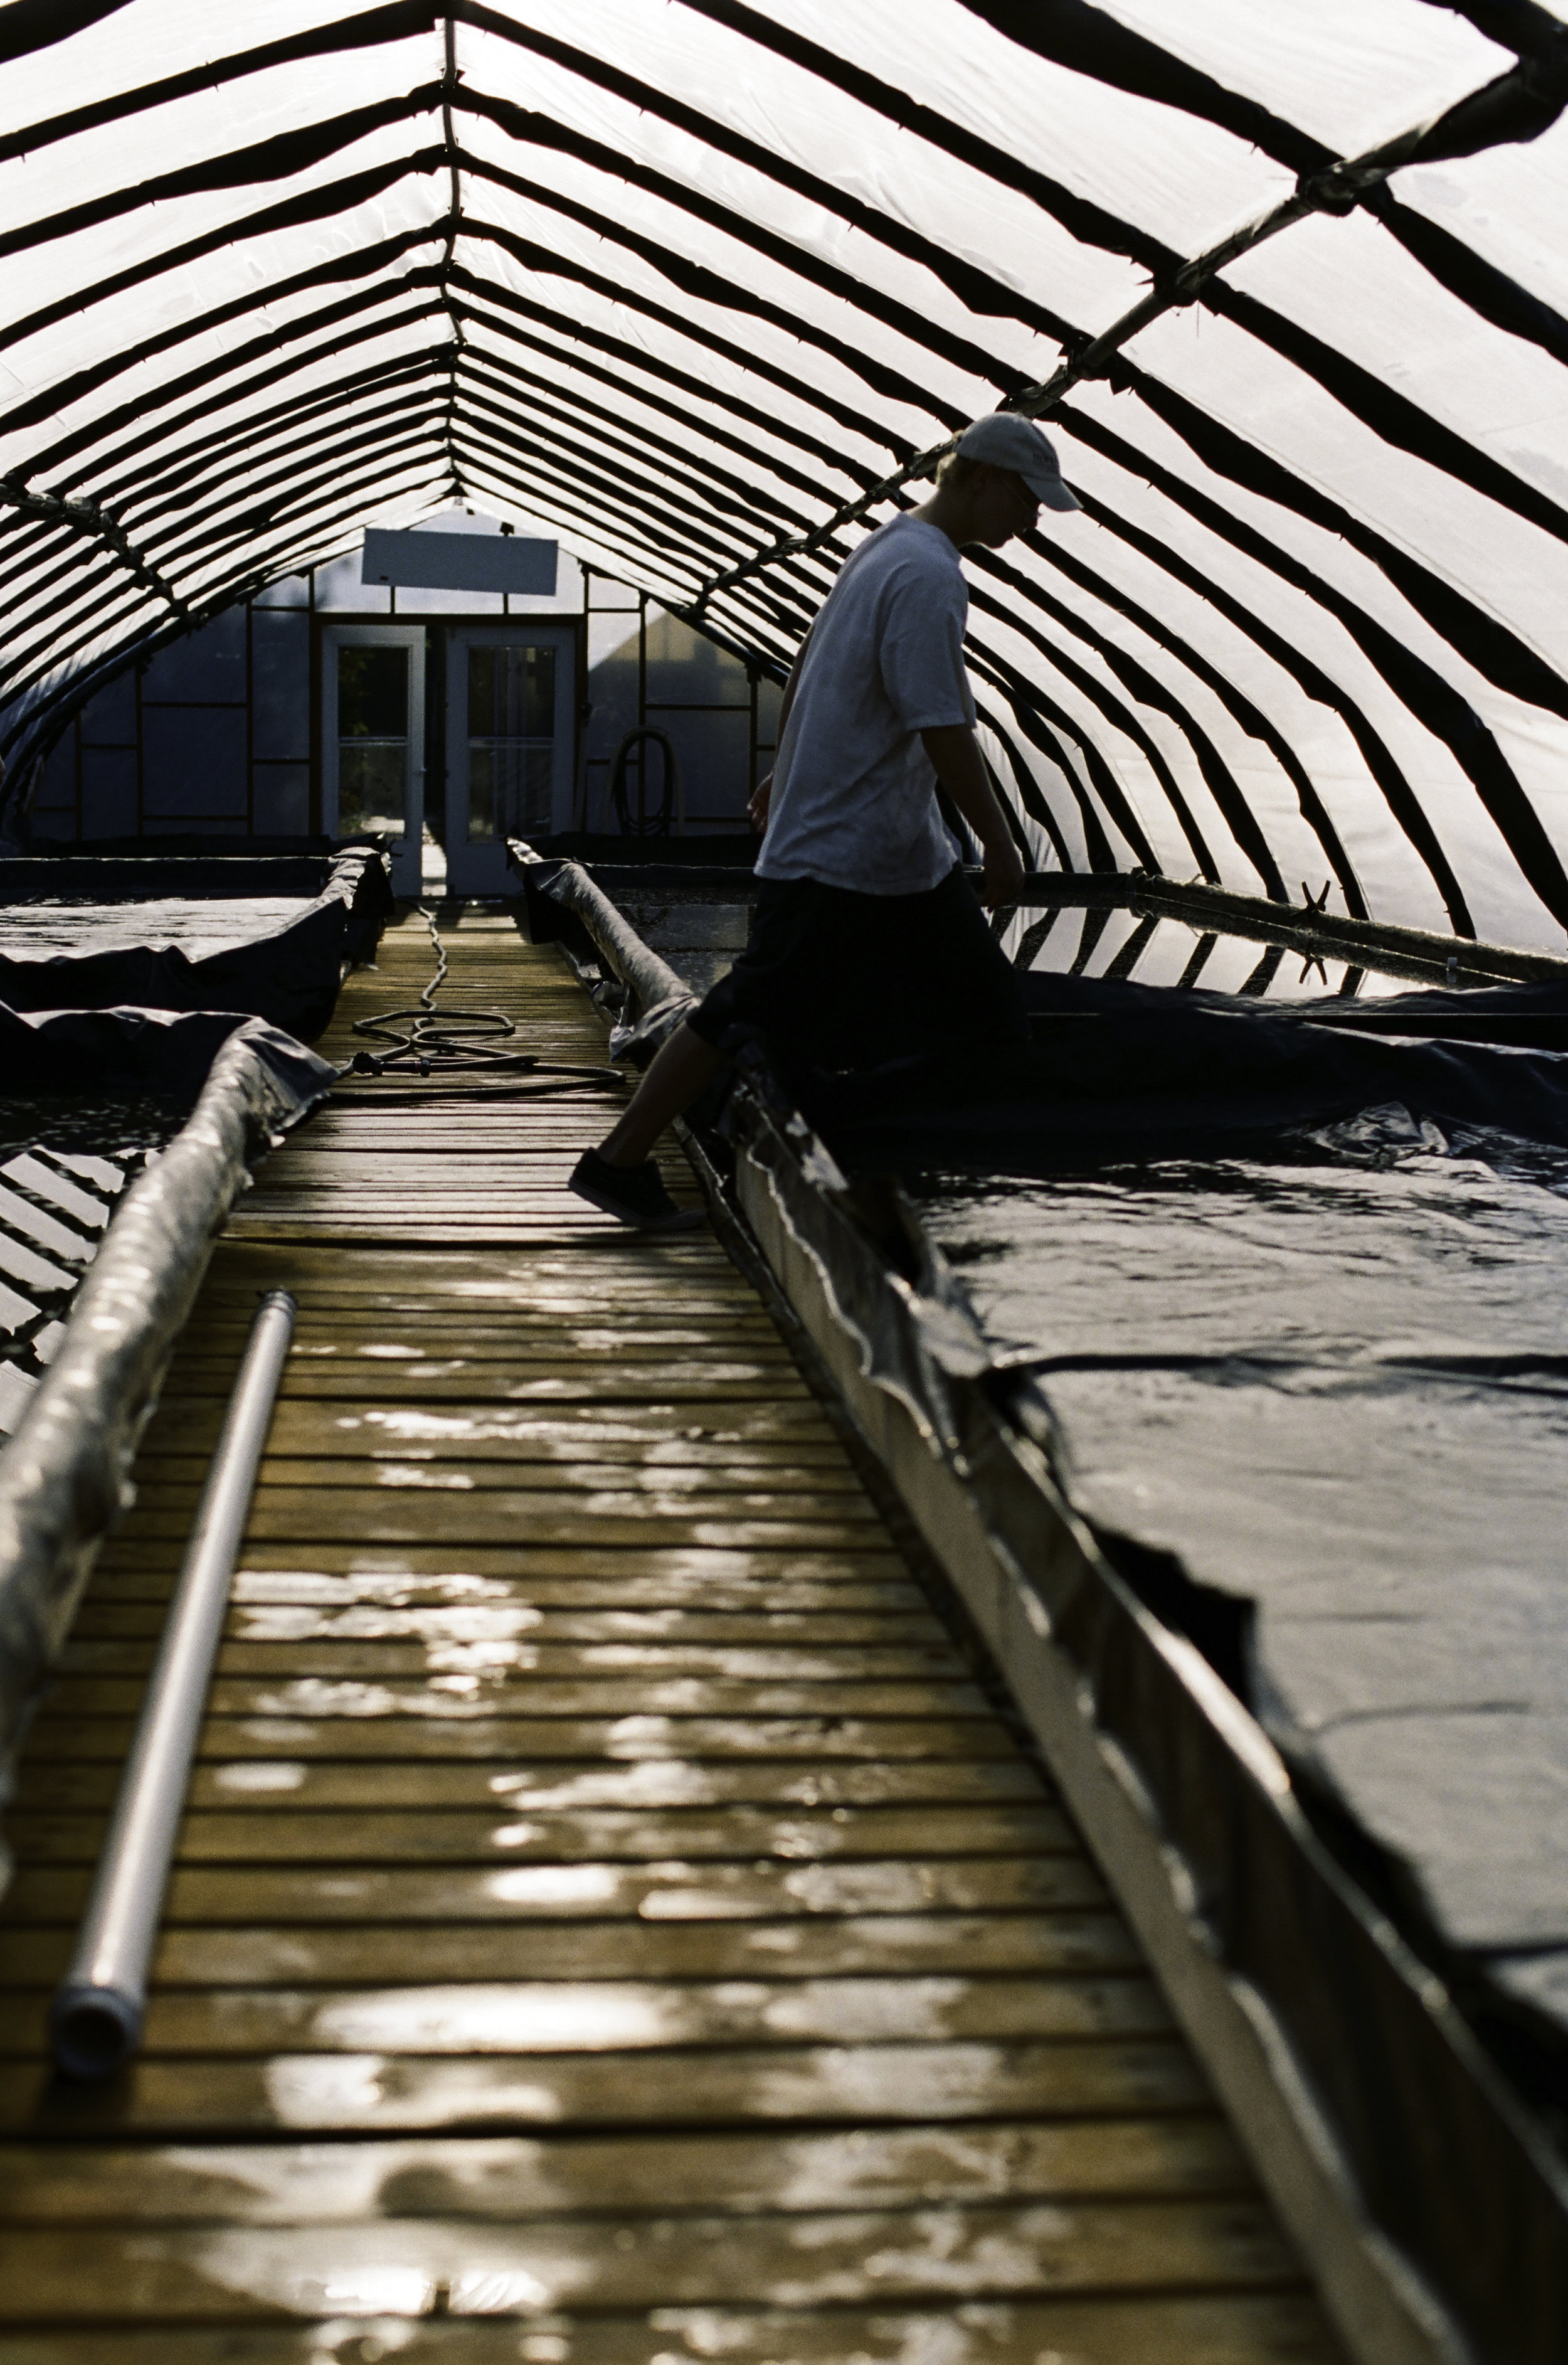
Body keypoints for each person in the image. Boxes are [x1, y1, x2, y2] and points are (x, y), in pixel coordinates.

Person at [569, 411, 1081, 1229]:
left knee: (980, 1012)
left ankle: (915, 1184)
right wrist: (998, 835)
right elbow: (939, 720)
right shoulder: (927, 574)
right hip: (846, 853)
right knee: (751, 1005)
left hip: (897, 854)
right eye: (1026, 502)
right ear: (979, 477)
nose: (1030, 523)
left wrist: (786, 763)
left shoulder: (888, 546)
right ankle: (619, 1161)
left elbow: (818, 659)